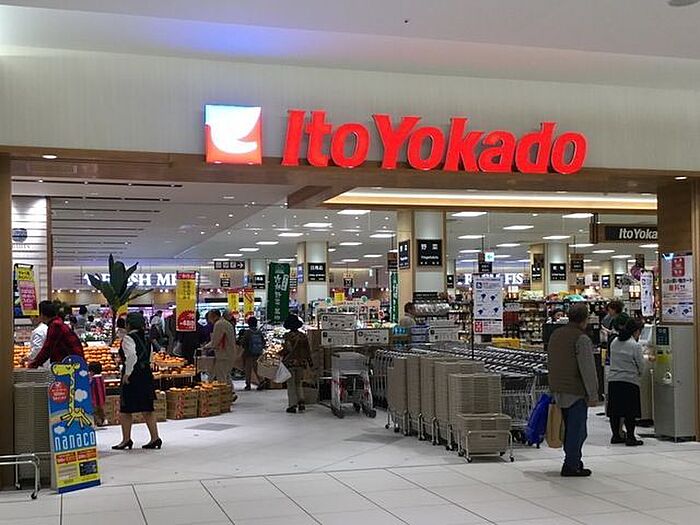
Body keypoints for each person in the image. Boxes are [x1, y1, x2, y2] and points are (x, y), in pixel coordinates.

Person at [547, 303, 598, 477]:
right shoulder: (581, 339)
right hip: (575, 391)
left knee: (566, 428)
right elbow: (587, 369)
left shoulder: (556, 334)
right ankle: (571, 464)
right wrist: (593, 394)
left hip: (557, 388)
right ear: (585, 319)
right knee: (577, 431)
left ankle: (573, 461)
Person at [112, 312, 161, 450]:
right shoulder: (146, 338)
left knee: (126, 409)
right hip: (146, 373)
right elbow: (150, 356)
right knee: (147, 407)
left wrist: (127, 373)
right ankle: (155, 438)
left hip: (133, 375)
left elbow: (132, 356)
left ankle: (126, 440)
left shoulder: (128, 338)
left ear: (128, 325)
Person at [608, 316, 645, 446]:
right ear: (636, 331)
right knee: (630, 411)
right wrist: (640, 373)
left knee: (615, 411)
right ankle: (630, 437)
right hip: (629, 381)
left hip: (614, 380)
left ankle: (616, 435)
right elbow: (641, 364)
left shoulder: (614, 342)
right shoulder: (635, 345)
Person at [28, 302, 85, 368]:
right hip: (75, 362)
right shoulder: (57, 323)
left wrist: (34, 364)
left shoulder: (55, 326)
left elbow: (48, 348)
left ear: (42, 315)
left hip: (72, 364)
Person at [280, 314, 313, 413]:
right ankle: (301, 402)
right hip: (301, 363)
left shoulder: (288, 336)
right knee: (299, 383)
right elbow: (308, 350)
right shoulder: (303, 336)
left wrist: (279, 354)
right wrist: (310, 362)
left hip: (290, 363)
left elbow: (286, 350)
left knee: (291, 384)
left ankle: (292, 405)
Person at [205, 309, 237, 386]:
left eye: (209, 317)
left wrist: (206, 347)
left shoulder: (219, 324)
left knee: (221, 377)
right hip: (229, 353)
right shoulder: (226, 323)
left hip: (224, 354)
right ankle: (230, 391)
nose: (209, 320)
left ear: (214, 316)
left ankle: (224, 392)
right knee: (226, 375)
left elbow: (215, 341)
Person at [237, 316, 267, 391]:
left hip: (248, 354)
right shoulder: (259, 332)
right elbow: (263, 342)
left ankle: (248, 384)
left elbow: (243, 343)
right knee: (256, 368)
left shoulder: (248, 332)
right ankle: (261, 381)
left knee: (248, 369)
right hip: (257, 353)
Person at [23, 300, 51, 369]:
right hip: (46, 363)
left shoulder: (38, 331)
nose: (31, 319)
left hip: (42, 365)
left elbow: (37, 349)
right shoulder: (45, 327)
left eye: (32, 317)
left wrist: (27, 357)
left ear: (39, 317)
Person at [89, 362, 107, 427]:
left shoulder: (93, 379)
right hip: (101, 397)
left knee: (95, 410)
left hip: (94, 398)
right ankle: (102, 420)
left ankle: (97, 421)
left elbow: (91, 387)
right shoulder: (101, 378)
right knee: (100, 409)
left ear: (92, 371)